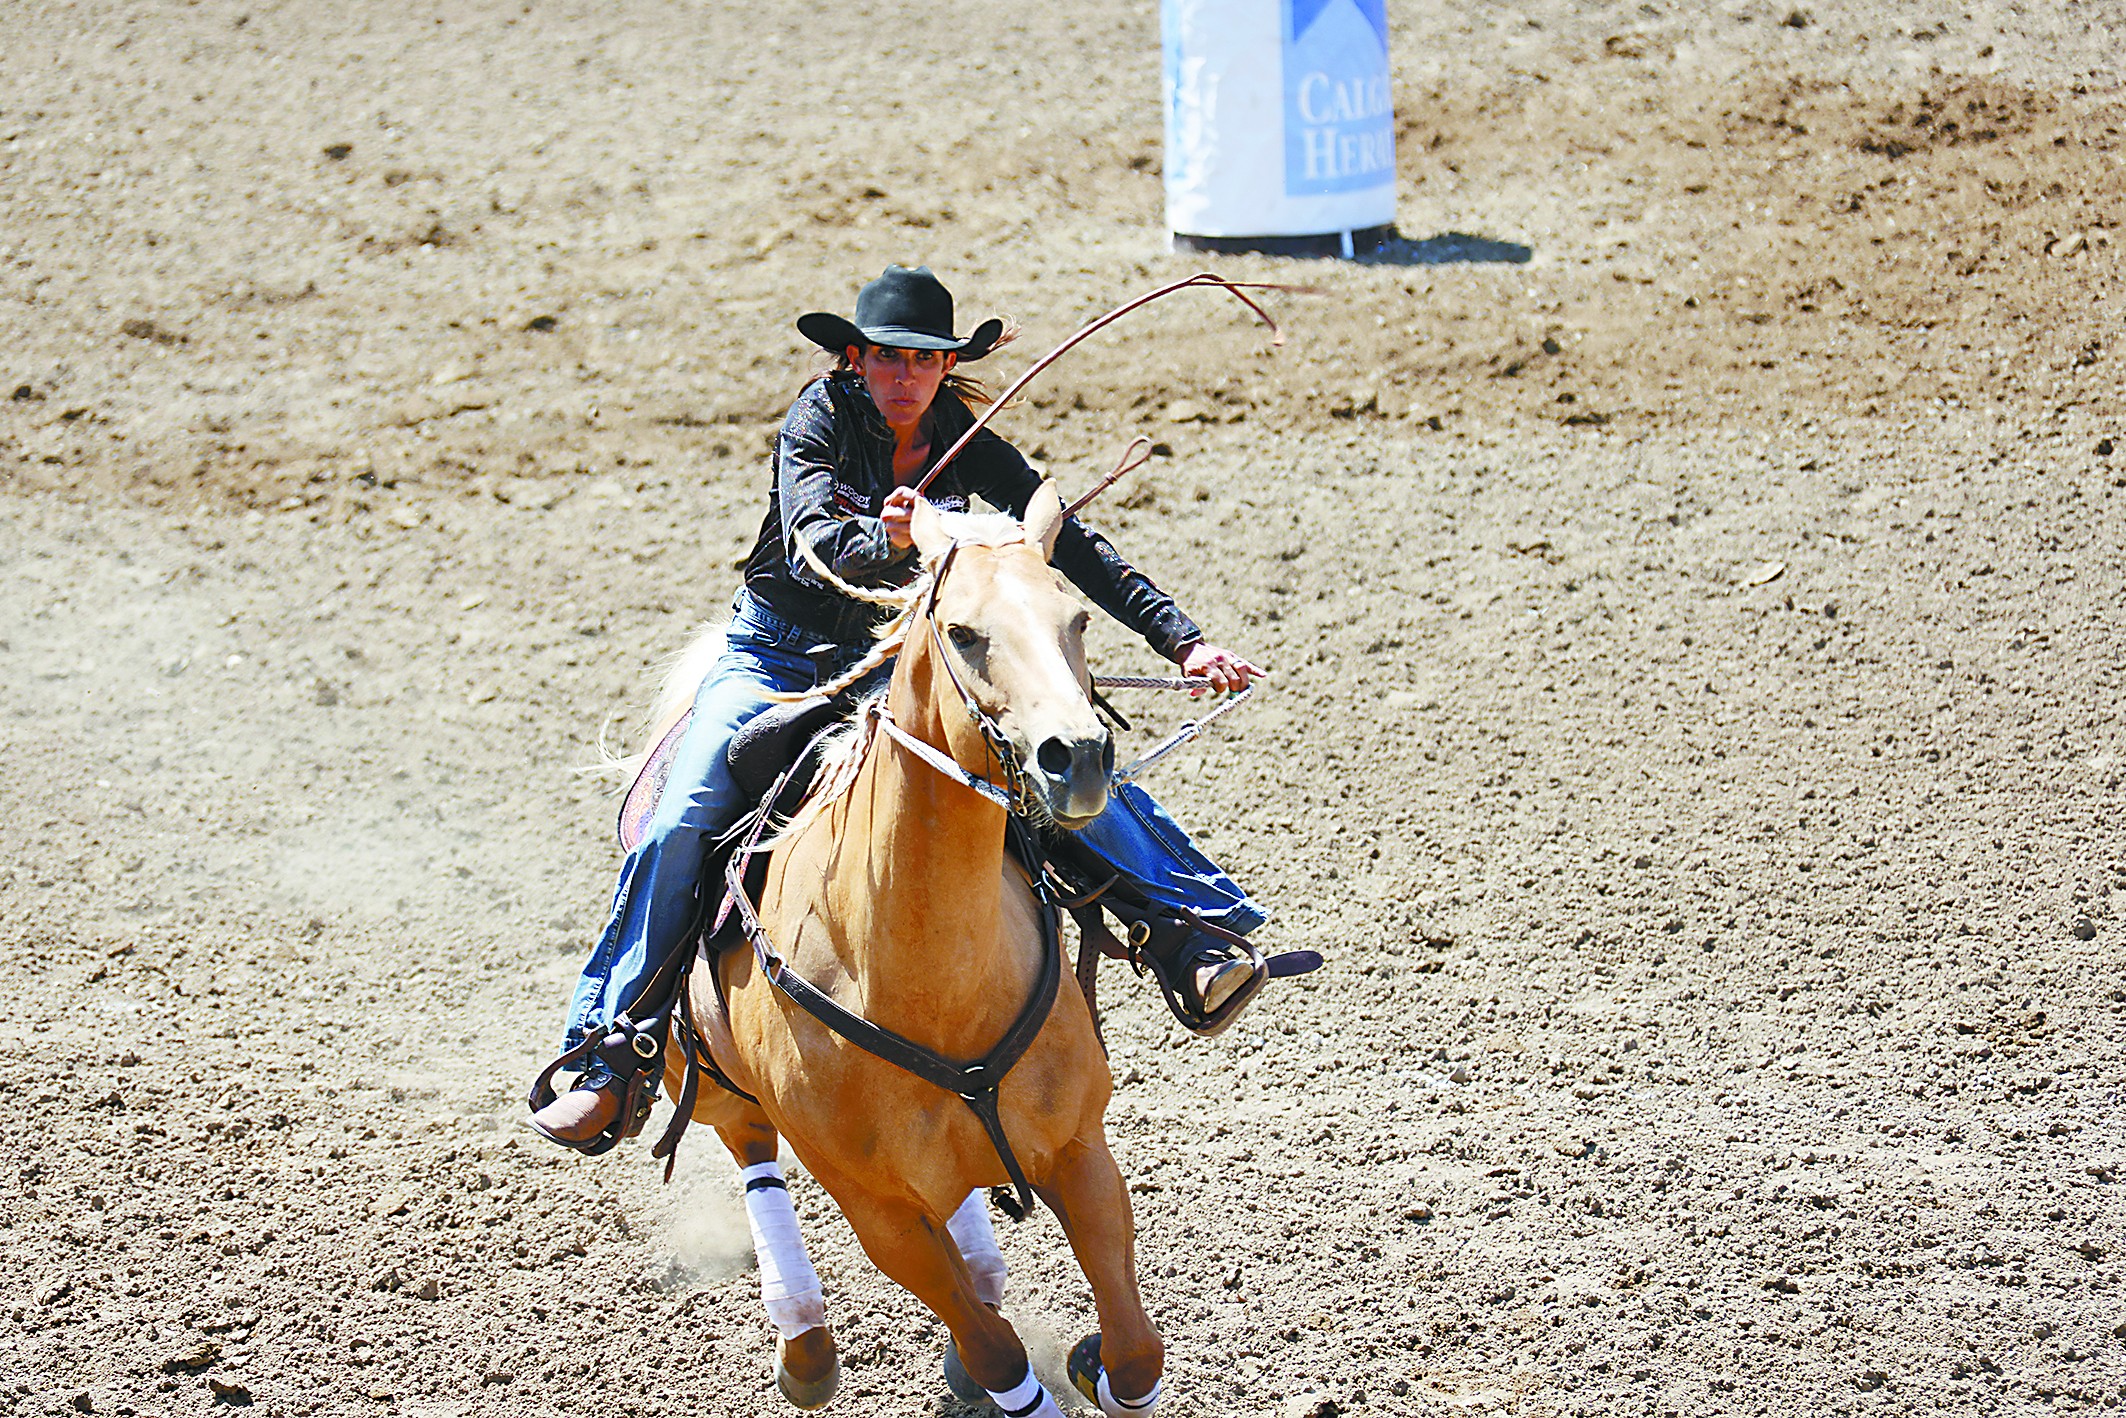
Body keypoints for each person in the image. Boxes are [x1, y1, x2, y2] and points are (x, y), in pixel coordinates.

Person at [530, 265, 1268, 1150]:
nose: (905, 377)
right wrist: (880, 535)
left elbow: (1071, 545)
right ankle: (611, 1049)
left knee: (1043, 754)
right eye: (887, 358)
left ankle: (1184, 932)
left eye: (924, 361)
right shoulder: (818, 420)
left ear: (948, 365)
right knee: (681, 821)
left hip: (890, 657)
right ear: (854, 358)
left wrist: (1183, 641)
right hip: (775, 656)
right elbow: (809, 542)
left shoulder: (965, 436)